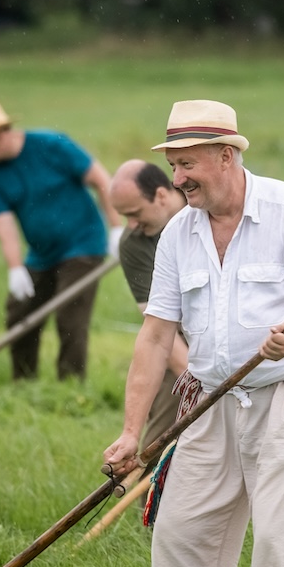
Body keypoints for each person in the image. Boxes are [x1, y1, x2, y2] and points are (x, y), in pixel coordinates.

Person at [103, 100, 284, 567]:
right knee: (181, 530)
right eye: (173, 165)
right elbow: (155, 336)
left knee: (282, 535)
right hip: (210, 398)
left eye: (187, 164)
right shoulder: (177, 235)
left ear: (226, 156)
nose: (178, 178)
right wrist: (130, 431)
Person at [0, 102, 124, 381]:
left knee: (70, 316)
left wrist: (116, 228)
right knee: (19, 313)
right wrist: (15, 268)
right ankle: (24, 381)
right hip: (41, 254)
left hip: (83, 244)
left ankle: (71, 385)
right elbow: (5, 226)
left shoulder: (52, 145)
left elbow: (100, 179)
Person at [109, 159, 190, 468]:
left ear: (160, 195)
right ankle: (155, 506)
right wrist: (195, 380)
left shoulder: (207, 214)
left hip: (234, 336)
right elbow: (157, 328)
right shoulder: (134, 244)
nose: (130, 224)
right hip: (177, 344)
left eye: (134, 213)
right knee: (160, 446)